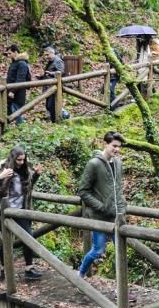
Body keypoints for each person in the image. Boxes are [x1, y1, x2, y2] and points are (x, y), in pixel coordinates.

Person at [76, 131, 126, 278]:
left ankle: (121, 290)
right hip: (99, 216)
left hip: (117, 216)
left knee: (120, 252)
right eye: (114, 146)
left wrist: (122, 205)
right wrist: (101, 206)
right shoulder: (94, 164)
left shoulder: (118, 163)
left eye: (119, 147)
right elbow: (83, 191)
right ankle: (81, 274)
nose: (117, 149)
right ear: (105, 144)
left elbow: (118, 188)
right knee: (98, 251)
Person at [0, 145, 43, 282]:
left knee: (28, 238)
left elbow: (28, 188)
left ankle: (29, 268)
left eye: (23, 160)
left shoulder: (24, 171)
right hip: (8, 211)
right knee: (6, 241)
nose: (21, 162)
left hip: (22, 210)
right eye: (18, 160)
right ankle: (4, 269)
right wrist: (0, 177)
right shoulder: (5, 170)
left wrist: (36, 175)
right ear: (13, 158)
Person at [41, 46, 65, 123]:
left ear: (52, 53)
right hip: (49, 87)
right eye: (45, 55)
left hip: (54, 88)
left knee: (51, 106)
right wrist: (41, 76)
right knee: (48, 106)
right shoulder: (50, 61)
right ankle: (54, 120)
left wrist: (51, 73)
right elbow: (48, 72)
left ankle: (56, 121)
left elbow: (61, 72)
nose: (46, 57)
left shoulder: (58, 61)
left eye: (47, 55)